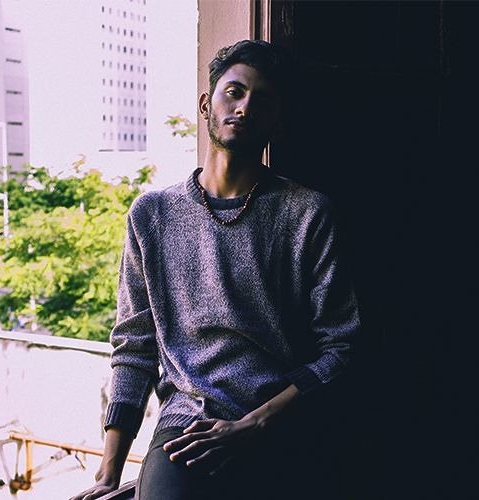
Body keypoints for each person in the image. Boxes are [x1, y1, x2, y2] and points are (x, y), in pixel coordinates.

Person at [71, 39, 360, 500]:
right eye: (234, 92)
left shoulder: (307, 213)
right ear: (207, 104)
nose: (244, 108)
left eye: (262, 100)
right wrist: (108, 472)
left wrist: (256, 422)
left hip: (277, 423)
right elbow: (134, 347)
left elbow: (341, 348)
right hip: (187, 426)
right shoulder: (152, 215)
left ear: (278, 121)